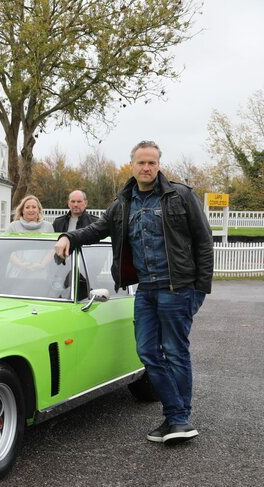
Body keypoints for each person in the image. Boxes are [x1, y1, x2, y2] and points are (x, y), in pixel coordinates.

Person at [54, 140, 213, 444]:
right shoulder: (123, 202)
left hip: (177, 287)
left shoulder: (180, 195)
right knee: (147, 352)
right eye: (141, 162)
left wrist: (200, 289)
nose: (146, 167)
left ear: (159, 164)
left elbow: (204, 241)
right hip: (145, 288)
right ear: (132, 165)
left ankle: (178, 418)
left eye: (152, 162)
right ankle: (176, 416)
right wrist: (68, 236)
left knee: (176, 351)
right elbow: (96, 230)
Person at [6, 195, 55, 276]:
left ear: (39, 210)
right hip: (16, 273)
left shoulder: (48, 226)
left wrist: (42, 265)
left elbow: (52, 249)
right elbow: (7, 250)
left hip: (41, 272)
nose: (31, 210)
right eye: (27, 207)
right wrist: (21, 265)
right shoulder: (13, 226)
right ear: (22, 210)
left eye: (34, 207)